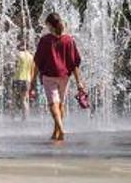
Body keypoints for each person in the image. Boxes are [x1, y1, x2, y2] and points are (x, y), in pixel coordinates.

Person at [29, 12, 86, 142]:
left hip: (49, 77)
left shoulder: (45, 40)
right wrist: (79, 82)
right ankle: (56, 133)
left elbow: (37, 62)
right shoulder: (69, 40)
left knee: (53, 104)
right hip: (64, 77)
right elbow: (74, 63)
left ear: (49, 25)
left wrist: (32, 82)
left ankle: (61, 129)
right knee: (60, 104)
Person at [13, 43, 35, 120]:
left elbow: (15, 66)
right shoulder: (31, 57)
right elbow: (32, 70)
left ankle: (13, 116)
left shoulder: (18, 54)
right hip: (27, 79)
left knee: (14, 98)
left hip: (18, 78)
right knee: (25, 99)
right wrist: (31, 82)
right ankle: (25, 116)